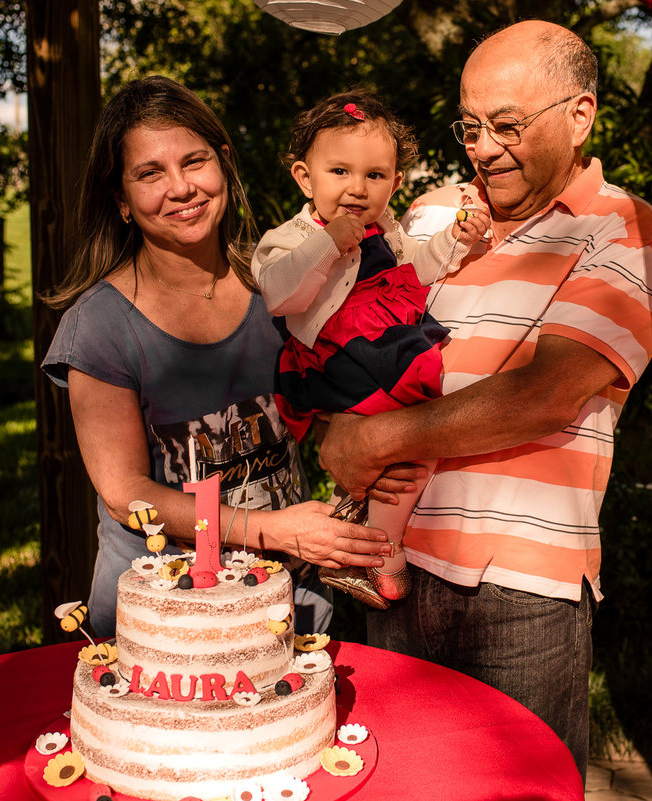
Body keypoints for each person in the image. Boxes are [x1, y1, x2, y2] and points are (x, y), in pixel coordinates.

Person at [317, 21, 652, 777]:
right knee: (405, 784)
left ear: (580, 116)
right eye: (470, 125)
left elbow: (546, 392)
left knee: (519, 788)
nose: (482, 147)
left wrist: (375, 441)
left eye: (506, 125)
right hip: (394, 565)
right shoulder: (430, 214)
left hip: (523, 590)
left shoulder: (620, 228)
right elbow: (356, 337)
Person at [41, 76, 397, 638]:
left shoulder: (279, 287)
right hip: (167, 628)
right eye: (150, 174)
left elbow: (327, 405)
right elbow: (124, 493)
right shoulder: (99, 325)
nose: (181, 188)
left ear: (224, 164)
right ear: (122, 201)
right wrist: (275, 530)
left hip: (292, 609)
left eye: (194, 162)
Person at [251, 91, 489, 609]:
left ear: (396, 184)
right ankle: (383, 548)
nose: (357, 189)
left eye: (375, 176)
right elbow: (279, 293)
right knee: (422, 428)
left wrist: (457, 240)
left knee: (421, 436)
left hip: (378, 349)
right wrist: (329, 242)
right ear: (304, 177)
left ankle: (357, 527)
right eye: (339, 171)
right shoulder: (290, 238)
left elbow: (418, 270)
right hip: (337, 356)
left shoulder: (389, 231)